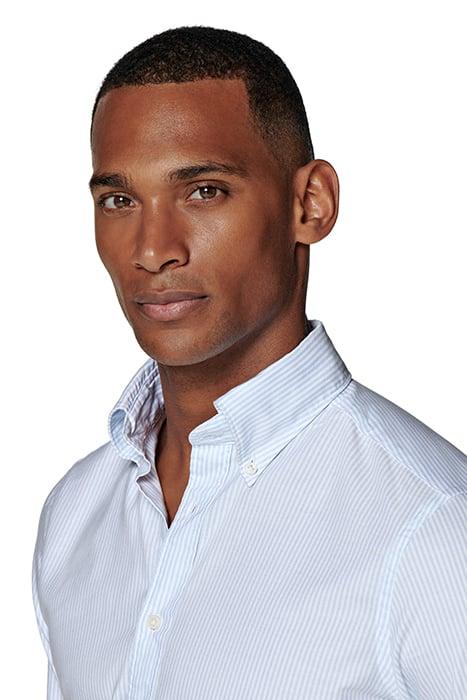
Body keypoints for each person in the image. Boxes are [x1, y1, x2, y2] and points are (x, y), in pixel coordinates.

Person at [31, 25, 466, 700]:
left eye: (204, 191)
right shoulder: (75, 515)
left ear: (310, 204)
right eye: (119, 201)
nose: (152, 250)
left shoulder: (433, 527)